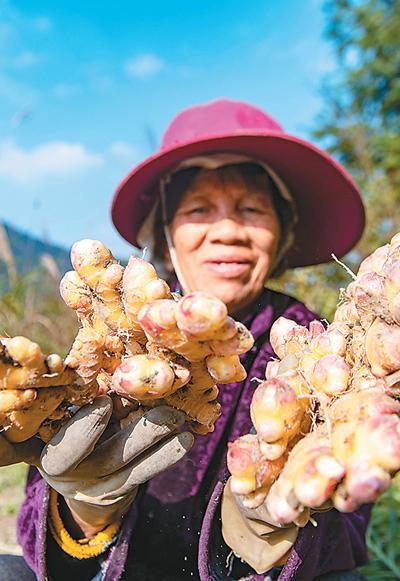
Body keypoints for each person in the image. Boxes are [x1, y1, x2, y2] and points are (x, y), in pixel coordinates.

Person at [0, 99, 370, 580]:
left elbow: (351, 520)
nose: (227, 231)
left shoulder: (316, 347)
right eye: (199, 209)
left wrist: (264, 531)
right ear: (167, 234)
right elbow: (38, 513)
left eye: (251, 209)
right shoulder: (121, 337)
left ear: (281, 234)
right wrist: (85, 510)